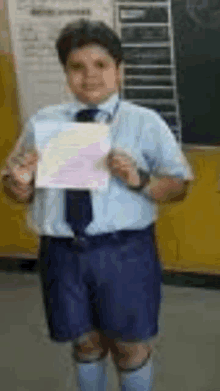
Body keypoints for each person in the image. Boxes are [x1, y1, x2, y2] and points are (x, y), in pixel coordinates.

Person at [1, 19, 194, 391]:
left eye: (101, 65)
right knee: (84, 342)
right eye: (77, 67)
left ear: (119, 70)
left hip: (124, 251)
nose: (90, 76)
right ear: (66, 73)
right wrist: (20, 182)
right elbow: (16, 193)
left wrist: (140, 180)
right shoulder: (44, 122)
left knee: (127, 345)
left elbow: (179, 186)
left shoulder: (144, 123)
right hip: (61, 252)